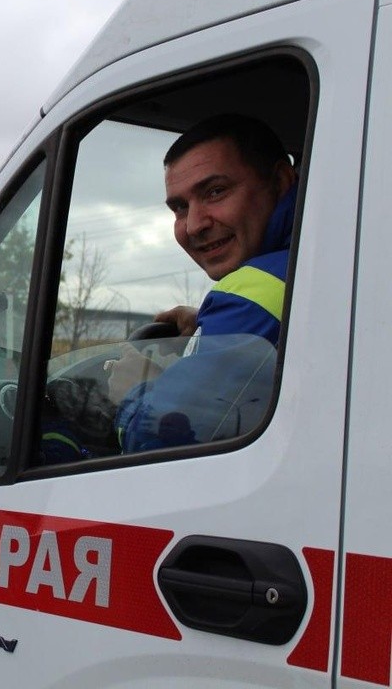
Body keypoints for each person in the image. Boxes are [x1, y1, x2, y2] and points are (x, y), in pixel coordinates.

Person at [109, 114, 298, 452]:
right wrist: (217, 326)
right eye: (180, 208)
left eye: (215, 191)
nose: (194, 225)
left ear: (281, 182)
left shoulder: (252, 294)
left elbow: (158, 442)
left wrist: (135, 391)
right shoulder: (312, 263)